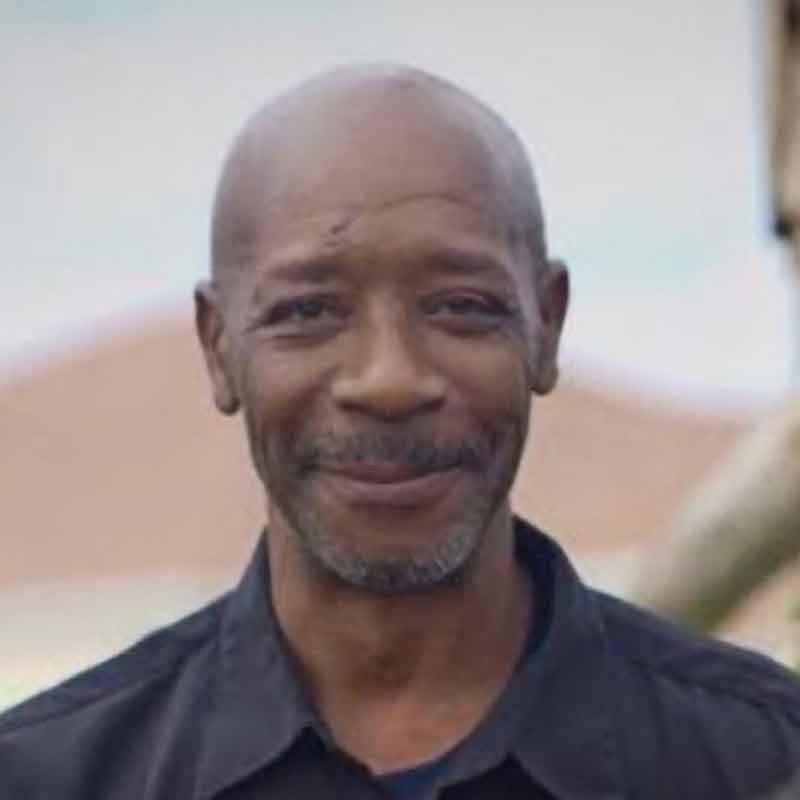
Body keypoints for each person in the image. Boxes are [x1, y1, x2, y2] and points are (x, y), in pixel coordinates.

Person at [1, 64, 798, 800]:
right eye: (307, 311)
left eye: (461, 306)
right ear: (218, 348)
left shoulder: (764, 759)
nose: (389, 380)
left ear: (546, 326)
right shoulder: (47, 778)